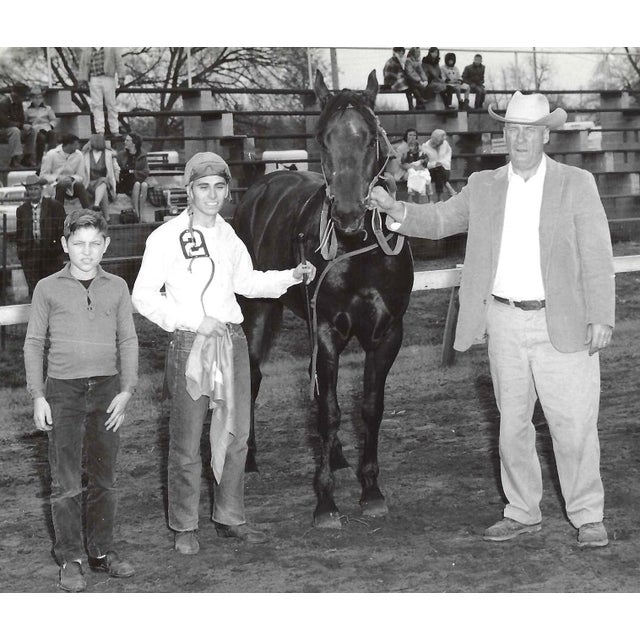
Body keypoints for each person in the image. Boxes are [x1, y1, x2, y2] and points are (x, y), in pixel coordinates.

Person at [368, 91, 615, 549]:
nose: (520, 138)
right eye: (512, 129)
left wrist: (601, 314)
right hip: (502, 321)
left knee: (574, 424)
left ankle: (588, 514)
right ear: (505, 135)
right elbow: (441, 219)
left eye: (530, 130)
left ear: (545, 135)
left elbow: (598, 253)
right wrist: (396, 210)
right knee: (512, 424)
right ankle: (522, 512)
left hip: (563, 322)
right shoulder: (484, 185)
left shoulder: (576, 183)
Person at [132, 152, 317, 555]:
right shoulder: (164, 238)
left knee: (237, 435)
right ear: (189, 191)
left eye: (219, 187)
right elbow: (143, 296)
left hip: (232, 343)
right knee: (185, 440)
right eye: (203, 187)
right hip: (190, 345)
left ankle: (229, 516)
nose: (212, 195)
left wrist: (292, 275)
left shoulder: (229, 236)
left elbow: (247, 282)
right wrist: (192, 321)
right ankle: (184, 525)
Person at [23, 209, 139, 592]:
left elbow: (128, 340)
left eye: (94, 244)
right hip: (63, 392)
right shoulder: (47, 288)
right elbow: (35, 343)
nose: (86, 252)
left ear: (106, 245)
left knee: (105, 479)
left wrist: (126, 389)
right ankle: (70, 558)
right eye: (78, 244)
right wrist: (38, 395)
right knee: (66, 482)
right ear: (64, 245)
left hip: (107, 390)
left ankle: (101, 551)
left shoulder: (118, 286)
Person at [15, 175, 66, 297]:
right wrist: (22, 252)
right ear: (27, 191)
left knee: (53, 289)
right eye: (30, 189)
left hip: (50, 253)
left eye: (36, 189)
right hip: (30, 253)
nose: (33, 192)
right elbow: (19, 233)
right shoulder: (22, 209)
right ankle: (36, 314)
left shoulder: (54, 206)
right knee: (34, 290)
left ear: (41, 189)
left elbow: (61, 229)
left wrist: (57, 249)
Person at [78, 47, 126, 138]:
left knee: (111, 104)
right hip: (94, 78)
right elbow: (83, 64)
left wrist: (121, 77)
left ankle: (115, 130)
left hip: (108, 77)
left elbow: (119, 61)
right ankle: (100, 131)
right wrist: (82, 79)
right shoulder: (88, 49)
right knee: (96, 105)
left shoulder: (111, 47)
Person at [40, 133, 92, 209]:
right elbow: (43, 175)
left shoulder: (79, 155)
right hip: (54, 185)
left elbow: (81, 176)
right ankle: (58, 213)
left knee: (80, 186)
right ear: (69, 145)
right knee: (62, 185)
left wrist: (71, 178)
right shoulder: (51, 154)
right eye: (76, 145)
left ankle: (89, 212)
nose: (78, 147)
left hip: (72, 184)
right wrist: (57, 178)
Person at [80, 133, 120, 218]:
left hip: (105, 182)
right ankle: (106, 217)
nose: (89, 142)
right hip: (89, 183)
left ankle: (96, 206)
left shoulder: (109, 154)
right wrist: (84, 149)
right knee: (103, 191)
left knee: (103, 181)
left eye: (90, 141)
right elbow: (79, 159)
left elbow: (116, 168)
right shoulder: (86, 154)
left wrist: (116, 177)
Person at [116, 132, 149, 221]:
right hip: (125, 182)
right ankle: (136, 213)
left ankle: (140, 213)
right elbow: (118, 170)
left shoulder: (142, 155)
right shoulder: (121, 155)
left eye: (127, 140)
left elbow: (146, 171)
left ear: (134, 143)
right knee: (138, 184)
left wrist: (134, 172)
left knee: (144, 185)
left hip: (137, 179)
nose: (125, 142)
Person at [0, 82, 32, 168]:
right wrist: (21, 126)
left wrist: (25, 125)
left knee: (33, 130)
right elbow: (4, 122)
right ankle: (14, 160)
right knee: (15, 131)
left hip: (14, 127)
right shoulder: (3, 103)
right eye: (22, 96)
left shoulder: (19, 103)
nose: (23, 98)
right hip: (3, 129)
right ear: (15, 94)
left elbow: (21, 119)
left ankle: (27, 157)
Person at [24, 87, 58, 165]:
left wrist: (51, 126)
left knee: (53, 134)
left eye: (40, 98)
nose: (38, 100)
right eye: (35, 98)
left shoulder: (47, 108)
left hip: (47, 128)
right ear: (31, 99)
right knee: (41, 138)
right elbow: (25, 121)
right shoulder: (27, 110)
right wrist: (28, 127)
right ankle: (39, 160)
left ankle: (51, 158)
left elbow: (54, 119)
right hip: (35, 129)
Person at [422, 129, 457, 200]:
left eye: (441, 143)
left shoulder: (445, 144)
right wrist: (434, 164)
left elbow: (448, 157)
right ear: (434, 140)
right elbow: (424, 164)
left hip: (444, 169)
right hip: (430, 171)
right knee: (438, 170)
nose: (440, 144)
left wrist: (441, 163)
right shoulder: (425, 147)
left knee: (439, 170)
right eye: (438, 143)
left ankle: (439, 197)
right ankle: (447, 189)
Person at [402, 134, 431, 204]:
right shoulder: (408, 154)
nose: (410, 148)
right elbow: (404, 163)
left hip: (421, 169)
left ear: (416, 147)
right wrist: (411, 166)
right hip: (412, 169)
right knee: (412, 175)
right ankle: (411, 197)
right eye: (409, 146)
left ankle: (427, 198)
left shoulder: (421, 153)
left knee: (425, 177)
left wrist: (422, 161)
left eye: (412, 146)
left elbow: (426, 160)